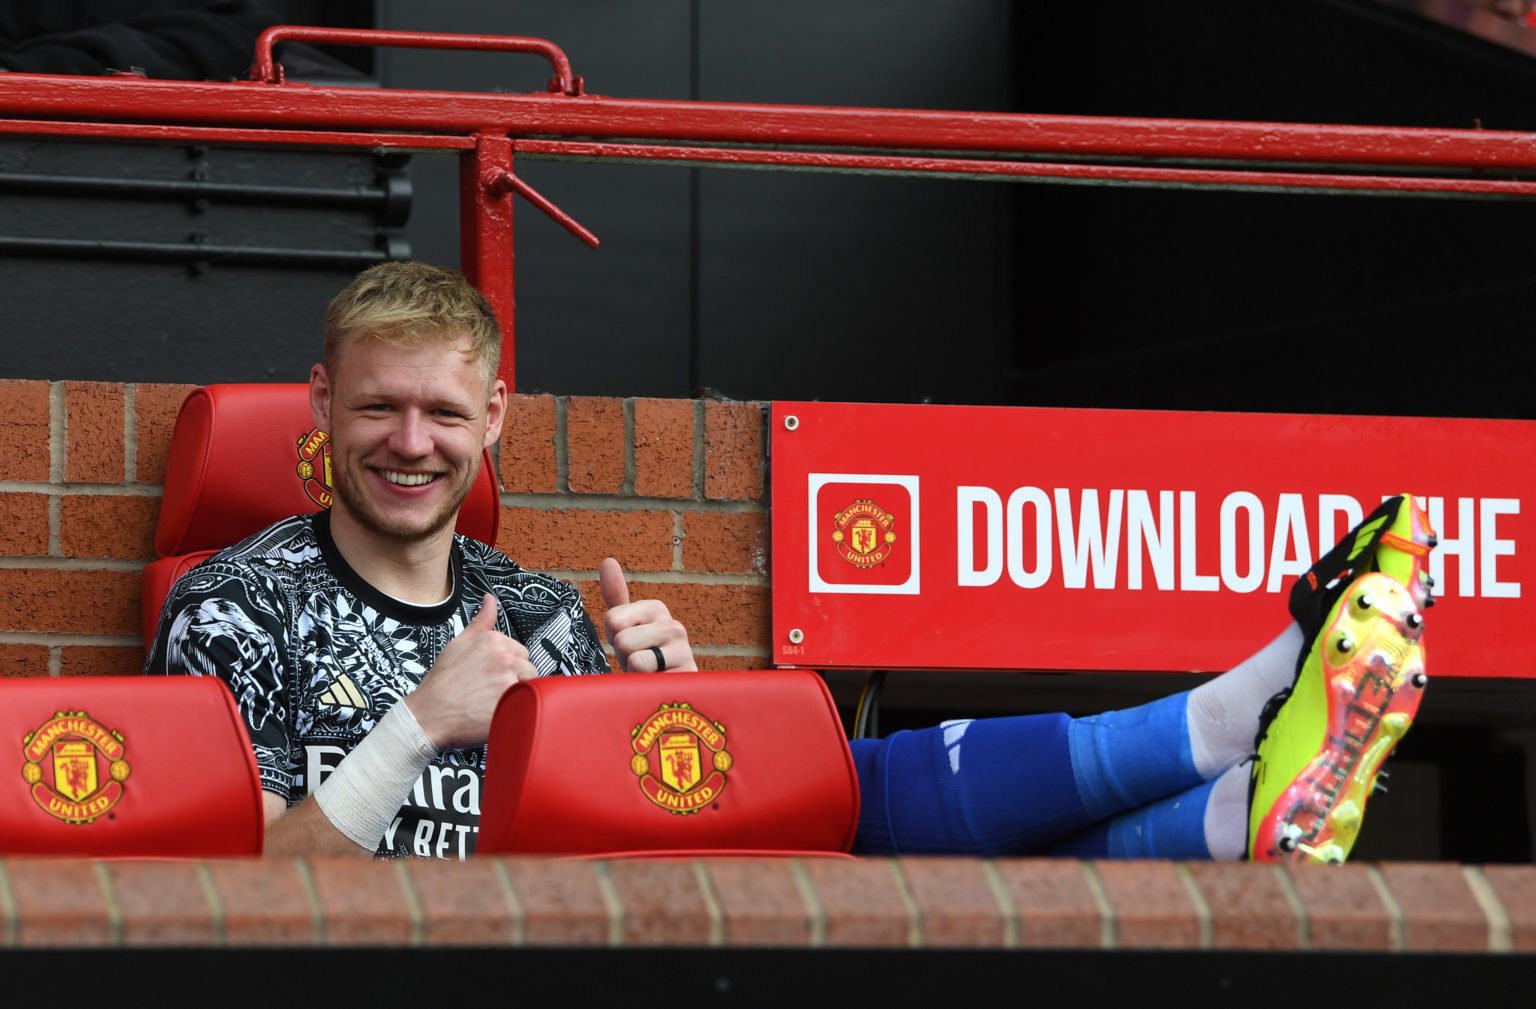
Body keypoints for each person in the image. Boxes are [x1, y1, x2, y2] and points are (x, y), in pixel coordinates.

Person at [145, 261, 1435, 864]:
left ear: (493, 422)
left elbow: (660, 842)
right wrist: (422, 724)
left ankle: (1219, 801)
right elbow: (242, 885)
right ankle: (1217, 734)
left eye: (441, 414)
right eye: (377, 409)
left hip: (585, 953)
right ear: (319, 408)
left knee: (815, 781)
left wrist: (667, 720)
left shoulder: (541, 612)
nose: (409, 444)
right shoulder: (235, 603)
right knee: (835, 793)